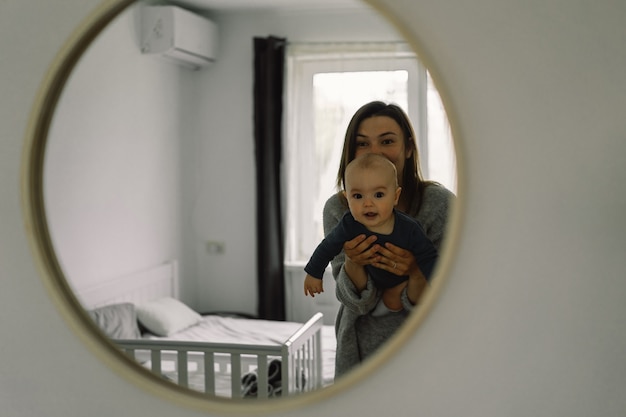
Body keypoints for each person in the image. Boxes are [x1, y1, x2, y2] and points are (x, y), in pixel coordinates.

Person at [323, 101, 455, 377]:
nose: (375, 152)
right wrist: (354, 262)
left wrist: (415, 272)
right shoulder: (339, 209)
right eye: (362, 144)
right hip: (359, 352)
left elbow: (452, 291)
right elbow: (355, 302)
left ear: (408, 148)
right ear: (350, 152)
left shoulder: (439, 204)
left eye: (387, 141)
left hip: (426, 349)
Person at [303, 153, 438, 315]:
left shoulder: (409, 228)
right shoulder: (349, 224)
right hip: (371, 282)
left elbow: (429, 257)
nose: (368, 203)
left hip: (401, 280)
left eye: (379, 195)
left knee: (395, 299)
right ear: (347, 199)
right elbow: (327, 247)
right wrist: (314, 273)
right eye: (358, 196)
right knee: (376, 300)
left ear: (395, 196)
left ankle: (392, 298)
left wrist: (436, 284)